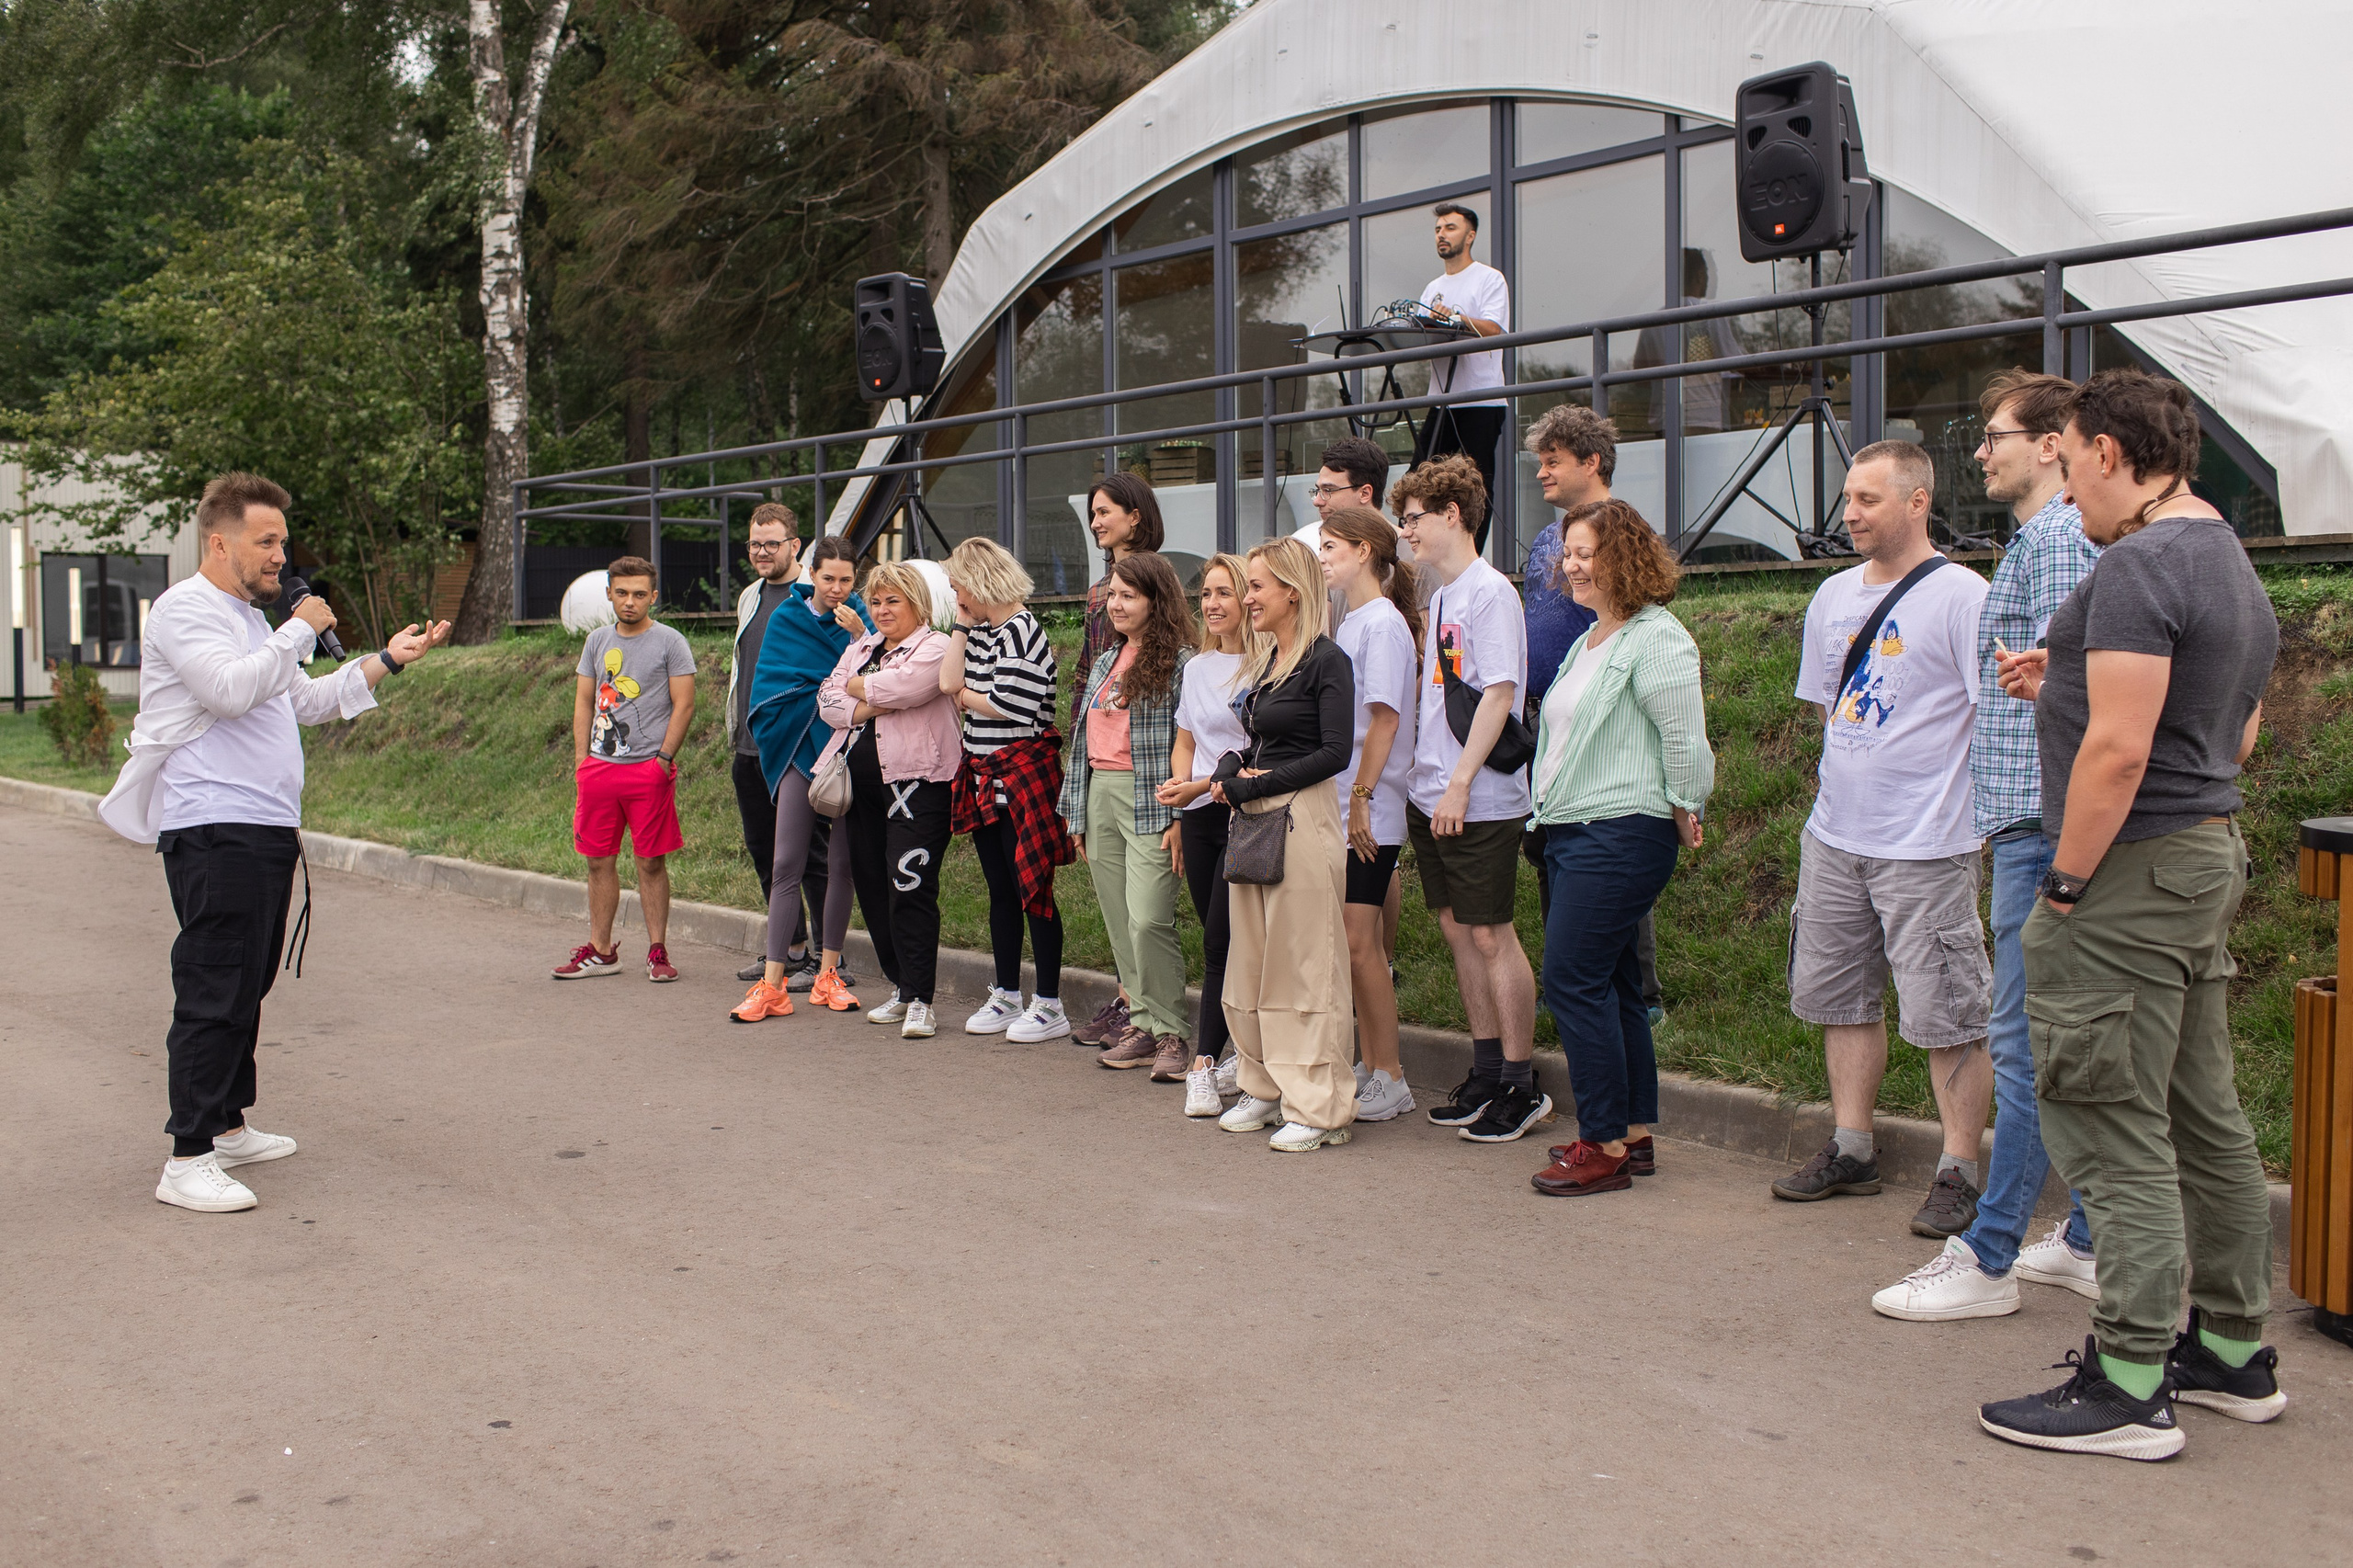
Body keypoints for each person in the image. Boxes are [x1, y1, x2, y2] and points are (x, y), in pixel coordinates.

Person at [1980, 369, 2284, 1460]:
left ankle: (2128, 1377)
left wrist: (2063, 881)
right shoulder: (2228, 561)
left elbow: (2118, 748)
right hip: (2201, 855)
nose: (2068, 500)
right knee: (2201, 1111)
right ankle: (2233, 1350)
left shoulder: (2141, 561)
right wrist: (2062, 681)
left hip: (2125, 873)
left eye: (2070, 467)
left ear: (2109, 452)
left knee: (2109, 1112)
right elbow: (2224, 738)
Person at [100, 472, 450, 1213]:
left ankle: (226, 1124)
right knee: (214, 985)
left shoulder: (254, 623)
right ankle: (186, 1155)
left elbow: (306, 701)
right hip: (212, 826)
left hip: (261, 827)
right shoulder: (184, 611)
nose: (279, 557)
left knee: (249, 981)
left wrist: (385, 659)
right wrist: (299, 626)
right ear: (219, 542)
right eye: (266, 542)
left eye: (282, 542)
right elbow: (228, 691)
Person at [1872, 370, 2101, 1320]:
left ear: (2051, 443)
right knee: (2059, 1036)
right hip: (2033, 812)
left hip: (2040, 817)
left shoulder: (2055, 542)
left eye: (1996, 434)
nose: (1980, 450)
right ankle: (2085, 1235)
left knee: (2020, 1035)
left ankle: (1991, 1251)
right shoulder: (2043, 540)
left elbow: (2084, 690)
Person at [1770, 442, 1995, 1239]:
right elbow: (1826, 710)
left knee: (1948, 1012)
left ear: (1918, 500)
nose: (1851, 514)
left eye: (1868, 499)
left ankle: (1959, 1169)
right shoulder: (1831, 596)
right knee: (1841, 998)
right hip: (1836, 835)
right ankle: (1852, 1147)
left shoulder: (1964, 597)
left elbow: (1995, 715)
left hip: (1927, 842)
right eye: (1848, 499)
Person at [1524, 500, 1713, 1198]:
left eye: (1587, 553)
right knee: (1614, 984)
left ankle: (1599, 1144)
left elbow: (1683, 739)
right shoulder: (1594, 638)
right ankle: (1631, 1133)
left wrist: (1688, 803)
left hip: (1620, 830)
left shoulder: (1656, 638)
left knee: (1572, 979)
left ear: (1626, 558)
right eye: (1567, 553)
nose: (1572, 565)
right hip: (1574, 828)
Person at [1393, 455, 1549, 1144]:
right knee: (1459, 930)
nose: (1407, 534)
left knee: (1491, 933)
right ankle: (1487, 1071)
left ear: (1452, 514)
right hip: (1433, 793)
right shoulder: (1444, 595)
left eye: (1414, 519)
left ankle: (1522, 1081)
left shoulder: (1490, 593)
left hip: (1478, 797)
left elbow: (1500, 694)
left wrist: (1459, 783)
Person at [1211, 537, 1358, 1152]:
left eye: (1256, 586)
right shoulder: (1269, 661)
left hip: (1302, 818)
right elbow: (1261, 743)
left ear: (1292, 593)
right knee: (1253, 960)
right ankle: (1266, 1086)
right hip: (1257, 814)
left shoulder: (1328, 660)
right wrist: (1230, 767)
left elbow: (1334, 751)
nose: (1248, 599)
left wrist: (1256, 784)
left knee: (1305, 966)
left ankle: (1320, 1109)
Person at [1518, 403, 1664, 1024]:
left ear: (1591, 461)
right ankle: (1572, 982)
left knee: (1608, 855)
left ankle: (1641, 998)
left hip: (1596, 720)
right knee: (1556, 852)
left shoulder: (1616, 534)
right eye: (1540, 463)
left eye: (1553, 462)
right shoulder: (1551, 535)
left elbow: (1636, 629)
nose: (1542, 474)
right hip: (1546, 715)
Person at [1059, 551, 1194, 1076]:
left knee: (1149, 919)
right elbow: (1082, 742)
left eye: (1128, 595)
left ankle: (1173, 1035)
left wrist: (1183, 815)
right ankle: (1141, 1023)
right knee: (1119, 921)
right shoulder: (1105, 659)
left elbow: (1193, 741)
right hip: (1101, 797)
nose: (1115, 604)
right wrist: (1077, 813)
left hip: (1152, 796)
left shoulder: (1181, 662)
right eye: (1112, 594)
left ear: (1156, 601)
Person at [813, 562, 960, 1040]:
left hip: (918, 784)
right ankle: (901, 986)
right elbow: (827, 700)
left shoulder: (935, 646)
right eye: (875, 602)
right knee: (874, 885)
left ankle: (922, 999)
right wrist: (875, 697)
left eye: (892, 600)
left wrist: (863, 691)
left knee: (910, 885)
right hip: (862, 792)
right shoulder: (864, 647)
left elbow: (908, 686)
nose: (881, 610)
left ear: (917, 604)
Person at [940, 537, 1075, 1043]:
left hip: (1021, 774)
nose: (957, 599)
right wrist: (959, 628)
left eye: (959, 590)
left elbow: (1010, 707)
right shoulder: (980, 631)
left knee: (1034, 889)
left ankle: (1050, 1002)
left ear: (979, 582)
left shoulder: (1022, 631)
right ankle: (1005, 991)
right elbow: (946, 682)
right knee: (1000, 889)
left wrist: (965, 695)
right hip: (984, 776)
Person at [732, 536, 871, 1023]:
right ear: (812, 573)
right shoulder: (786, 618)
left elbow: (880, 681)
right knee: (786, 862)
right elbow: (769, 688)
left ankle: (828, 973)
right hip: (797, 750)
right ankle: (773, 985)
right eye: (827, 578)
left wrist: (860, 638)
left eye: (846, 580)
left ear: (857, 581)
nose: (836, 589)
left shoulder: (864, 623)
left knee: (841, 867)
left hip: (846, 756)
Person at [1314, 506, 1420, 1123]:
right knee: (1355, 945)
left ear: (1364, 550)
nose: (1323, 556)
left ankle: (1392, 1074)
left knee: (1362, 945)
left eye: (1332, 546)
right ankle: (1371, 1061)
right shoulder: (1353, 622)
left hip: (1368, 811)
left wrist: (1360, 798)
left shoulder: (1380, 624)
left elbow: (1384, 719)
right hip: (1347, 804)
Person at [1156, 553, 1264, 1115]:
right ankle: (1237, 1052)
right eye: (1206, 594)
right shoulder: (1196, 667)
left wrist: (1200, 788)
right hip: (1197, 815)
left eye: (1226, 593)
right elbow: (1185, 740)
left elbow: (1258, 750)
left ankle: (1203, 1064)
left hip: (1245, 814)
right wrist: (1180, 809)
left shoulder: (1269, 664)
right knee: (1219, 936)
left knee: (1223, 941)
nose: (1214, 604)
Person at [556, 556, 698, 983]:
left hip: (648, 771)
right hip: (599, 769)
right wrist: (583, 760)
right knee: (598, 861)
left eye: (639, 594)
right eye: (622, 593)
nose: (630, 601)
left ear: (653, 596)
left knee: (650, 862)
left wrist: (663, 760)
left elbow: (684, 704)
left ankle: (658, 950)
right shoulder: (597, 641)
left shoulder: (671, 642)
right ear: (609, 595)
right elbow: (584, 700)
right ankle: (601, 951)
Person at [1069, 471, 1165, 1048]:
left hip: (1145, 753)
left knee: (1145, 903)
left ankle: (1144, 1007)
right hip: (1100, 746)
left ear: (1136, 515)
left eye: (1106, 511)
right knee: (1113, 893)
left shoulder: (1157, 577)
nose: (1098, 522)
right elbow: (1087, 669)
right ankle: (1130, 999)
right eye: (1093, 513)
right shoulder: (1096, 591)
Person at [725, 502, 832, 987]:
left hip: (799, 748)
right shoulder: (750, 596)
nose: (762, 552)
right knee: (765, 851)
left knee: (810, 856)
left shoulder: (817, 593)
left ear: (795, 545)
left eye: (772, 543)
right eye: (755, 544)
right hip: (751, 746)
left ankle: (831, 960)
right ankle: (790, 949)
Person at [1410, 202, 1510, 551]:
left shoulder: (1489, 278)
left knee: (1474, 486)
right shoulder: (1431, 287)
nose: (1441, 234)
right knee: (1420, 482)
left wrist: (1456, 318)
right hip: (1441, 401)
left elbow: (1495, 329)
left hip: (1480, 400)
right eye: (1438, 229)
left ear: (1470, 236)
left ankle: (1472, 560)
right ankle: (1423, 561)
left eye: (1450, 228)